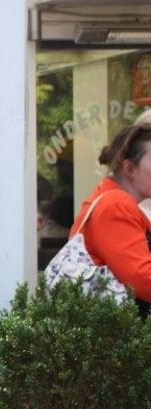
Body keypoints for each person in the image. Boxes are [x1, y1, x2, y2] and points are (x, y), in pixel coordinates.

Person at [69, 123, 151, 313]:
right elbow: (142, 279)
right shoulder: (115, 204)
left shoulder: (109, 199)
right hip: (114, 334)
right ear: (129, 168)